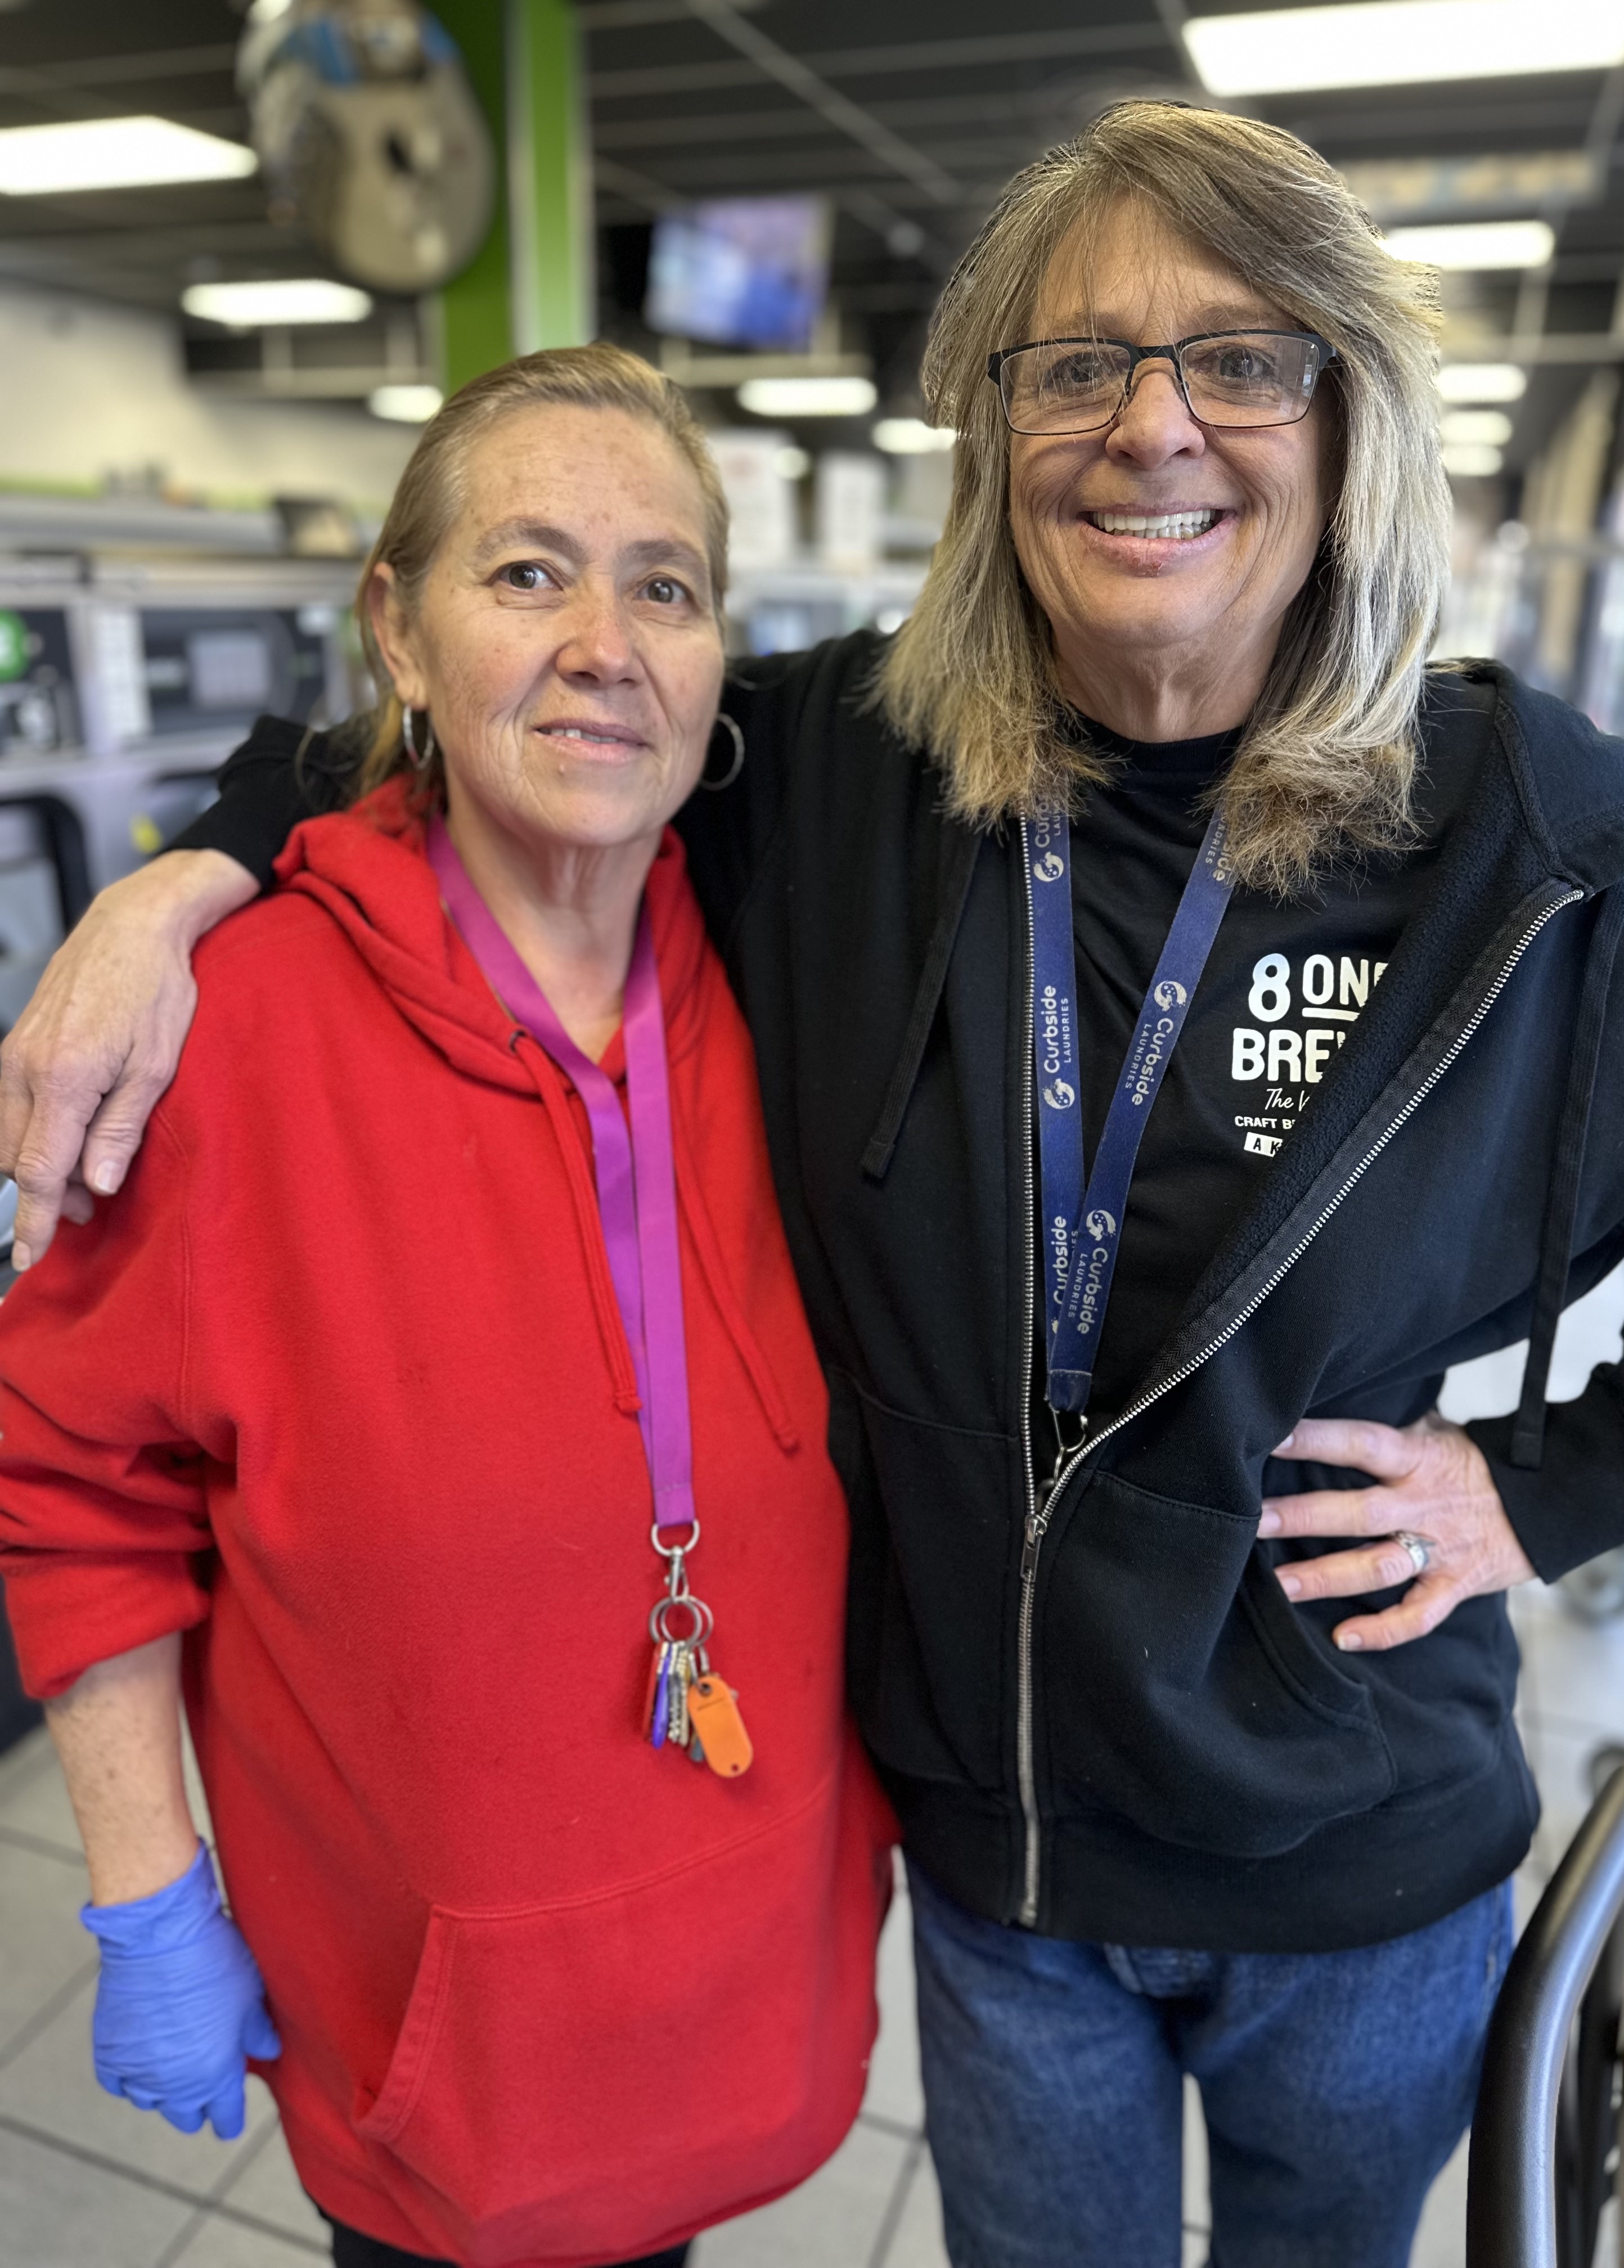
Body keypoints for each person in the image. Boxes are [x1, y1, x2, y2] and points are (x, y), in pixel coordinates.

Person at [6, 99, 1624, 2268]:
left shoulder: (1534, 846)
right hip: (1004, 1892)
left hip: (1357, 1870)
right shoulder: (848, 772)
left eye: (1241, 359)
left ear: (1348, 419)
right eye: (1074, 364)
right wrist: (188, 882)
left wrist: (1550, 1487)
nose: (1151, 427)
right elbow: (524, 704)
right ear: (996, 437)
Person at [0, 344, 892, 2268]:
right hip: (444, 2076)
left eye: (665, 584)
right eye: (527, 572)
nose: (605, 639)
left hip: (737, 1991)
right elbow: (71, 1481)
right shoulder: (229, 1044)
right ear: (392, 630)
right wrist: (150, 1897)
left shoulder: (777, 973)